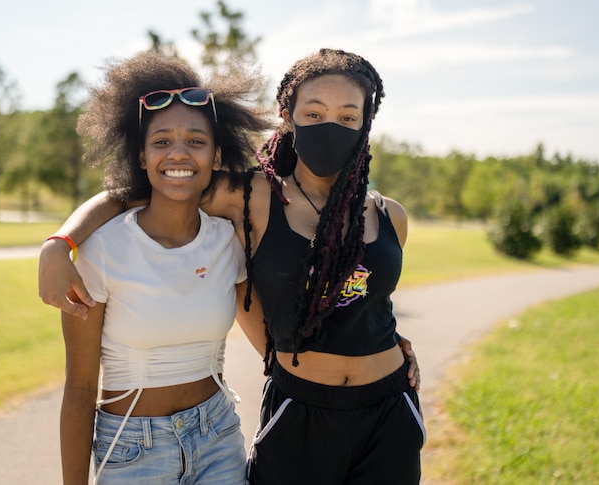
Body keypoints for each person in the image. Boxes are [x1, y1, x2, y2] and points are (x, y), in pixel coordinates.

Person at [41, 48, 424, 484]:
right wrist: (59, 243)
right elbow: (144, 187)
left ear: (366, 122)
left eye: (348, 116)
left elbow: (369, 305)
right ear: (287, 115)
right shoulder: (250, 198)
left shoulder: (392, 215)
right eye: (314, 113)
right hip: (299, 410)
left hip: (388, 410)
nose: (330, 127)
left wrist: (393, 339)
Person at [56, 51, 272, 485]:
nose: (179, 153)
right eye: (161, 142)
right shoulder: (101, 249)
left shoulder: (227, 241)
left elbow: (276, 347)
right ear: (141, 157)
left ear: (216, 157)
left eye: (196, 141)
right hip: (133, 448)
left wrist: (377, 339)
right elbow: (80, 389)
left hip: (218, 437)